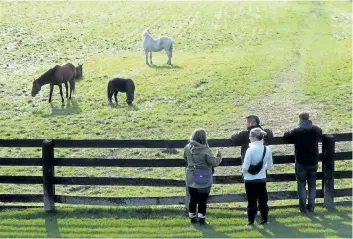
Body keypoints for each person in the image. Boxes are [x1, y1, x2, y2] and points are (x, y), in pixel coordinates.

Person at [283, 112, 322, 213]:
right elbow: (321, 134)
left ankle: (303, 208)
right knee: (312, 185)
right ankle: (311, 207)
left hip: (301, 162)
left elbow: (286, 137)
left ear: (300, 119)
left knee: (301, 185)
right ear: (309, 118)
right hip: (313, 161)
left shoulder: (297, 131)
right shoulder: (316, 129)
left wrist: (287, 131)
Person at [183, 128, 222, 225]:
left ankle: (192, 218)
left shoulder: (187, 147)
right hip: (204, 177)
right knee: (202, 200)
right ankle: (201, 219)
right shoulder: (206, 150)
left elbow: (184, 158)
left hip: (191, 176)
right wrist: (219, 157)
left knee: (192, 199)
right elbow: (213, 162)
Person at [242, 128, 273, 225]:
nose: (249, 138)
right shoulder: (267, 149)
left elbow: (245, 166)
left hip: (249, 179)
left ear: (254, 137)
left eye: (250, 136)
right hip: (261, 178)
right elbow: (270, 165)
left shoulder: (250, 150)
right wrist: (263, 168)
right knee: (263, 200)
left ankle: (251, 221)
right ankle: (265, 220)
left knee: (251, 201)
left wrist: (244, 173)